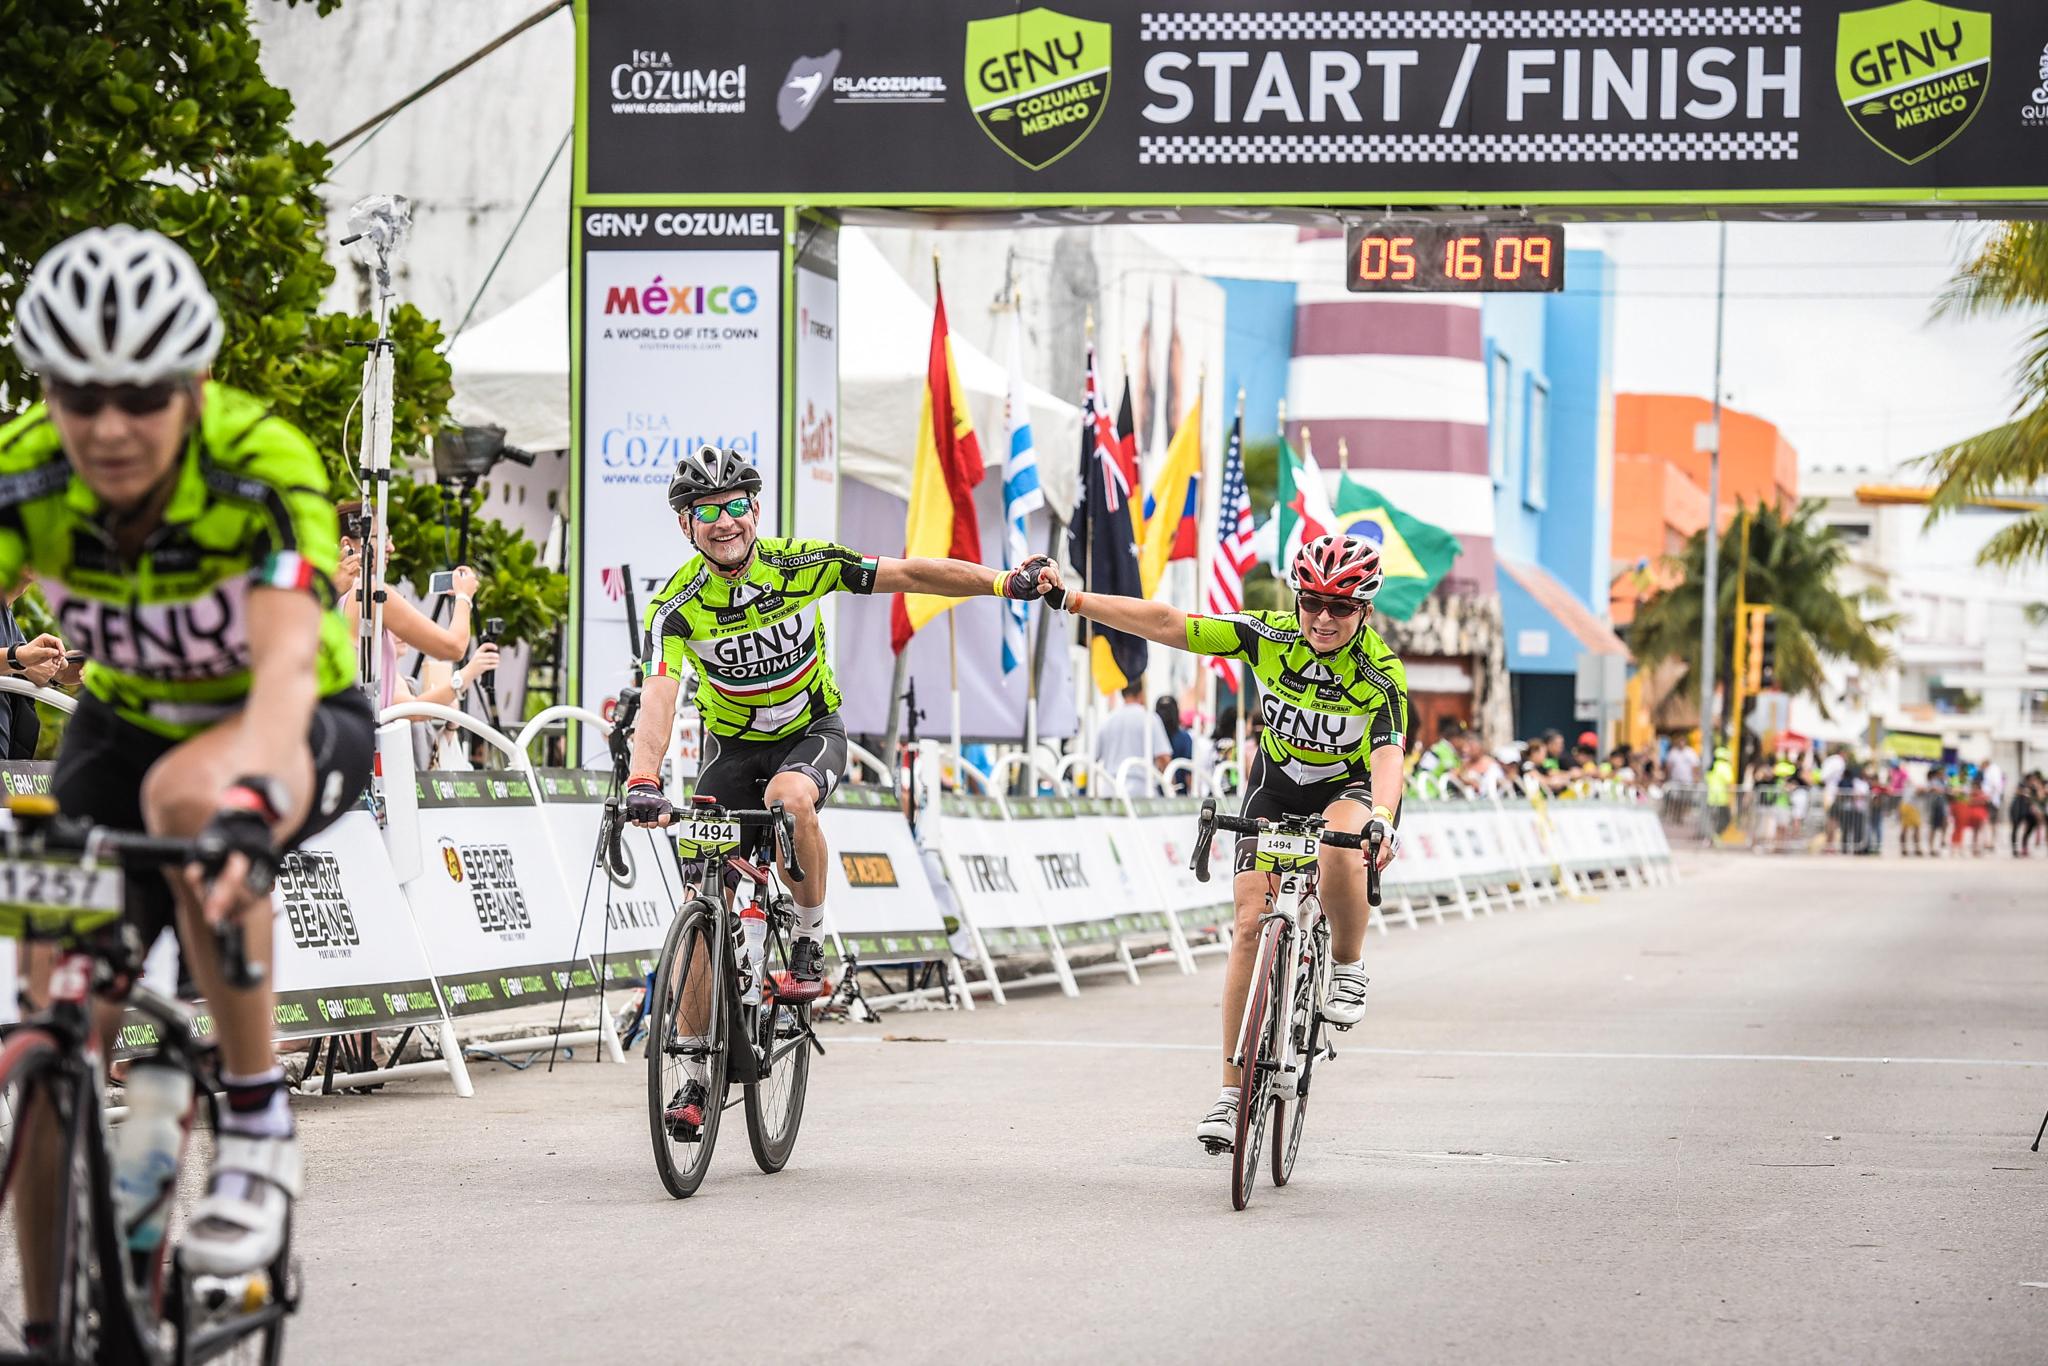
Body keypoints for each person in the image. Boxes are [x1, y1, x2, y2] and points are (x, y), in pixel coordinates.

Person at [2, 227, 375, 1303]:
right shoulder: (25, 470)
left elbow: (283, 668)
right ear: (45, 389)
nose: (109, 427)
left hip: (290, 718)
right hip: (116, 733)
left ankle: (257, 1120)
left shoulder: (260, 462)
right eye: (79, 397)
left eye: (143, 396)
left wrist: (252, 806)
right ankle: (54, 1321)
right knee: (55, 1016)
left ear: (196, 382)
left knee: (191, 794)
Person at [625, 444, 1052, 1140]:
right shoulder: (677, 606)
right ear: (686, 526)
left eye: (735, 506)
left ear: (756, 509)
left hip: (809, 734)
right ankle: (696, 1077)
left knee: (790, 802)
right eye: (706, 512)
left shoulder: (802, 564)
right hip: (732, 752)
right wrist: (644, 778)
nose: (723, 522)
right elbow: (660, 697)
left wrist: (1002, 582)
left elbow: (911, 571)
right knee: (700, 896)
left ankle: (808, 941)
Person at [1039, 534, 1404, 1150]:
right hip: (1276, 786)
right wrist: (1075, 600)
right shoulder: (1270, 635)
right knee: (1247, 924)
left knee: (1343, 847)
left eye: (1340, 608)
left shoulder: (1379, 673)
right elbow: (1169, 623)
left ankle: (1346, 962)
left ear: (1364, 610)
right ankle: (1232, 1093)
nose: (1322, 617)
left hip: (1350, 786)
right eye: (1311, 601)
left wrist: (1383, 819)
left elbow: (1390, 754)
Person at [1094, 679, 1171, 796]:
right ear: (1142, 692)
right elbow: (1164, 758)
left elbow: (1093, 757)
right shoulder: (1150, 719)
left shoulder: (1108, 720)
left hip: (1110, 789)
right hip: (1142, 789)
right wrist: (1170, 785)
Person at [1155, 696, 1195, 794]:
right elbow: (1189, 774)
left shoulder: (1152, 737)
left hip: (1155, 794)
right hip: (1179, 796)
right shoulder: (1184, 738)